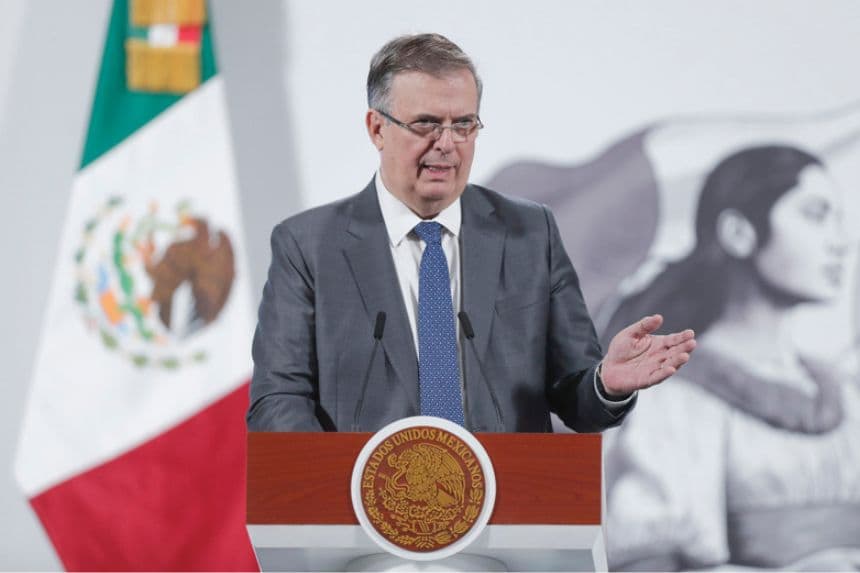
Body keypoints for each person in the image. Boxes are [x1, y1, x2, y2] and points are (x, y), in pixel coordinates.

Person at [246, 33, 695, 433]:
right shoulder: (308, 246)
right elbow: (278, 400)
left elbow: (573, 394)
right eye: (425, 124)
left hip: (509, 512)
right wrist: (336, 491)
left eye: (463, 124)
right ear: (377, 128)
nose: (447, 143)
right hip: (365, 515)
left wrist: (605, 384)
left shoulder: (529, 233)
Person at [602, 145, 860, 570]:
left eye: (839, 219)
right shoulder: (675, 396)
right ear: (739, 232)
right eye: (816, 215)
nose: (839, 242)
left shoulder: (844, 394)